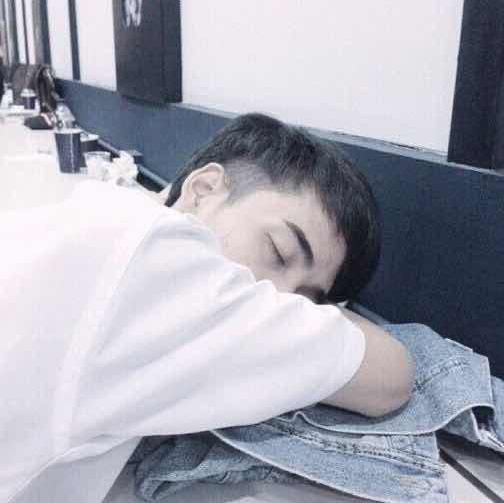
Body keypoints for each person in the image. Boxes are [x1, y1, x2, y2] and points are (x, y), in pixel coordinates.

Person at [0, 113, 414, 500]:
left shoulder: (101, 215)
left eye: (306, 300)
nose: (281, 301)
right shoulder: (162, 265)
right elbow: (391, 377)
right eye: (279, 251)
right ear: (203, 190)